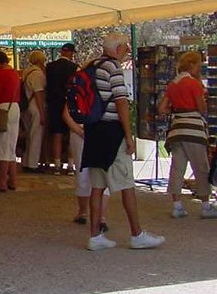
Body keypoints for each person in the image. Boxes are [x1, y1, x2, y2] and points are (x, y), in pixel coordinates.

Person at [82, 33, 164, 251]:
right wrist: (129, 135)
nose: (128, 52)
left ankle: (95, 236)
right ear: (117, 49)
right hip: (112, 132)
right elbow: (121, 103)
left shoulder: (91, 66)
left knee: (97, 186)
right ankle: (137, 234)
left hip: (94, 131)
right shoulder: (113, 68)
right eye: (126, 48)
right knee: (127, 183)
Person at [159, 51, 217, 218]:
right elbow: (202, 108)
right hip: (194, 130)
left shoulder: (173, 84)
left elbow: (162, 108)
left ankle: (177, 206)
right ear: (192, 65)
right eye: (199, 65)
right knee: (201, 167)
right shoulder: (194, 84)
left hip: (176, 130)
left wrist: (176, 110)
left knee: (177, 168)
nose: (200, 68)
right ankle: (205, 206)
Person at [63, 104, 110, 228]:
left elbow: (66, 114)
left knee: (82, 173)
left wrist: (78, 130)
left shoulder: (77, 92)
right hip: (103, 132)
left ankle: (83, 212)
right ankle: (102, 217)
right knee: (103, 174)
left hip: (80, 131)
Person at [0, 51, 21, 192]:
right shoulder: (14, 73)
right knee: (11, 147)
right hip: (14, 108)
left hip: (1, 110)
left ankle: (2, 181)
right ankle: (13, 180)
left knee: (0, 147)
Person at [46, 43, 79, 174]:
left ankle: (57, 165)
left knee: (57, 135)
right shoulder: (74, 67)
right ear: (71, 53)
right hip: (70, 103)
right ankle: (70, 165)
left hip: (54, 104)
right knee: (71, 134)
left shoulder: (50, 67)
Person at [22, 50, 47, 172]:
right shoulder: (37, 74)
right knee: (36, 135)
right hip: (35, 106)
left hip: (26, 106)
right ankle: (33, 164)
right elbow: (38, 94)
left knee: (29, 135)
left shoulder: (27, 72)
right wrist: (42, 113)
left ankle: (26, 161)